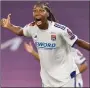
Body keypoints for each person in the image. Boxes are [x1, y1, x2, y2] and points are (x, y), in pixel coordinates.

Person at [0, 2, 90, 87]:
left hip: (66, 80)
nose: (37, 13)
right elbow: (20, 31)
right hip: (47, 80)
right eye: (34, 10)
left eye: (41, 10)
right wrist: (9, 26)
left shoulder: (60, 30)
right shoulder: (32, 28)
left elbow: (79, 42)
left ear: (47, 14)